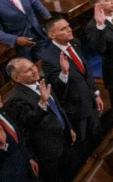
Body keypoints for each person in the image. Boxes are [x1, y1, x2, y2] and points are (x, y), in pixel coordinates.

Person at [3, 58, 75, 182]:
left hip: (63, 137)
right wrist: (42, 103)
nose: (34, 70)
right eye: (28, 70)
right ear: (16, 78)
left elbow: (58, 107)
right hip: (48, 149)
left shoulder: (42, 81)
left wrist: (68, 127)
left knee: (72, 177)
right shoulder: (16, 98)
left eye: (33, 66)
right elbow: (28, 122)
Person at [40, 15, 105, 154]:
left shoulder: (74, 43)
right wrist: (64, 72)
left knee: (99, 138)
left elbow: (86, 71)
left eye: (68, 26)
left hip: (90, 101)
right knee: (85, 146)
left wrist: (96, 93)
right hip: (76, 110)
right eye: (63, 29)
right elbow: (56, 89)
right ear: (52, 35)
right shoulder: (48, 58)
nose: (69, 30)